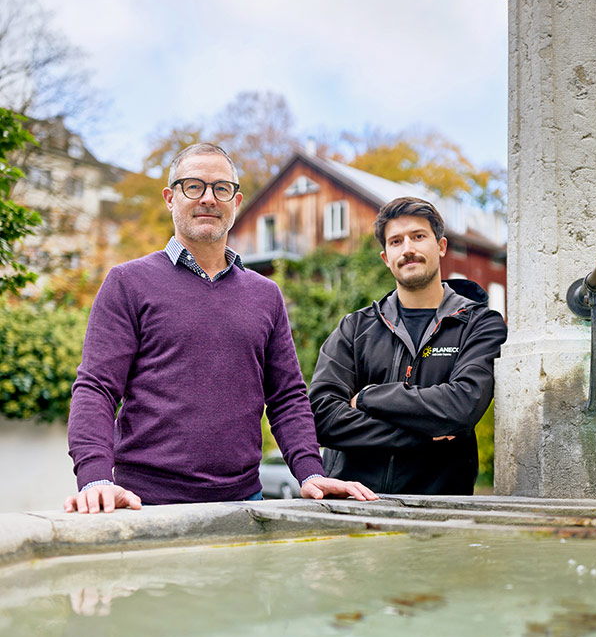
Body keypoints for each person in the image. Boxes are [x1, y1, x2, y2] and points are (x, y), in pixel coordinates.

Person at [65, 143, 376, 513]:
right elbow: (96, 388)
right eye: (193, 186)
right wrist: (96, 477)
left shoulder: (266, 294)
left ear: (237, 201)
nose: (208, 198)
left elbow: (288, 396)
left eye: (221, 188)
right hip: (145, 504)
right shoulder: (127, 283)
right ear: (170, 198)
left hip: (244, 503)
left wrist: (309, 473)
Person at [309, 196, 508, 495]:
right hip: (352, 505)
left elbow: (461, 406)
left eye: (418, 236)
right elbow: (321, 418)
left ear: (441, 246)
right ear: (386, 258)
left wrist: (367, 398)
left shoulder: (480, 325)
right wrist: (425, 434)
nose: (408, 249)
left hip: (440, 511)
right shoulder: (354, 328)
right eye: (396, 241)